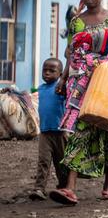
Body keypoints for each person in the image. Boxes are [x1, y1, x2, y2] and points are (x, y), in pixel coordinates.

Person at [49, 0, 108, 205]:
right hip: (82, 86)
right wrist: (64, 79)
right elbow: (71, 54)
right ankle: (70, 188)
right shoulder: (76, 22)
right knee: (78, 130)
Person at [29, 58, 67, 201]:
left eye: (52, 70)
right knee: (43, 161)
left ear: (60, 74)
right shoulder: (41, 88)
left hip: (60, 132)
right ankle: (39, 188)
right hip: (45, 132)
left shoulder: (62, 87)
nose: (47, 73)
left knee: (61, 163)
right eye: (45, 70)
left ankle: (63, 187)